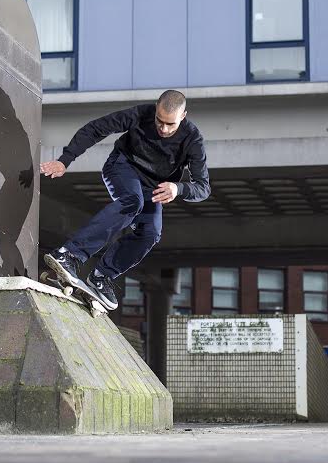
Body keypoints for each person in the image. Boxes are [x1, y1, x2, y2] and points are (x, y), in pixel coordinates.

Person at [40, 89, 210, 310]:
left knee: (151, 233)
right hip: (122, 167)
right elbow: (96, 128)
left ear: (183, 117)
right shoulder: (140, 114)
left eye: (171, 125)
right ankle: (69, 254)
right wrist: (65, 160)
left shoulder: (193, 139)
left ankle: (101, 276)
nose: (163, 129)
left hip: (154, 187)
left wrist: (178, 188)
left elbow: (203, 187)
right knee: (132, 201)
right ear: (155, 109)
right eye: (160, 121)